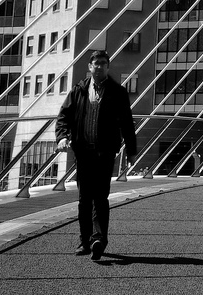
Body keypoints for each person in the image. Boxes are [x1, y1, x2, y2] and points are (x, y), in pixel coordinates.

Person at [55, 50, 136, 260]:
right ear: (89, 67)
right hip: (83, 151)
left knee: (100, 197)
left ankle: (99, 238)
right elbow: (64, 116)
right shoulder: (79, 90)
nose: (99, 66)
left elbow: (127, 122)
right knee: (84, 199)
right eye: (95, 63)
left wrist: (131, 151)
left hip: (105, 152)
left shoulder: (117, 92)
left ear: (108, 68)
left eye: (103, 63)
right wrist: (62, 137)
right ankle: (84, 241)